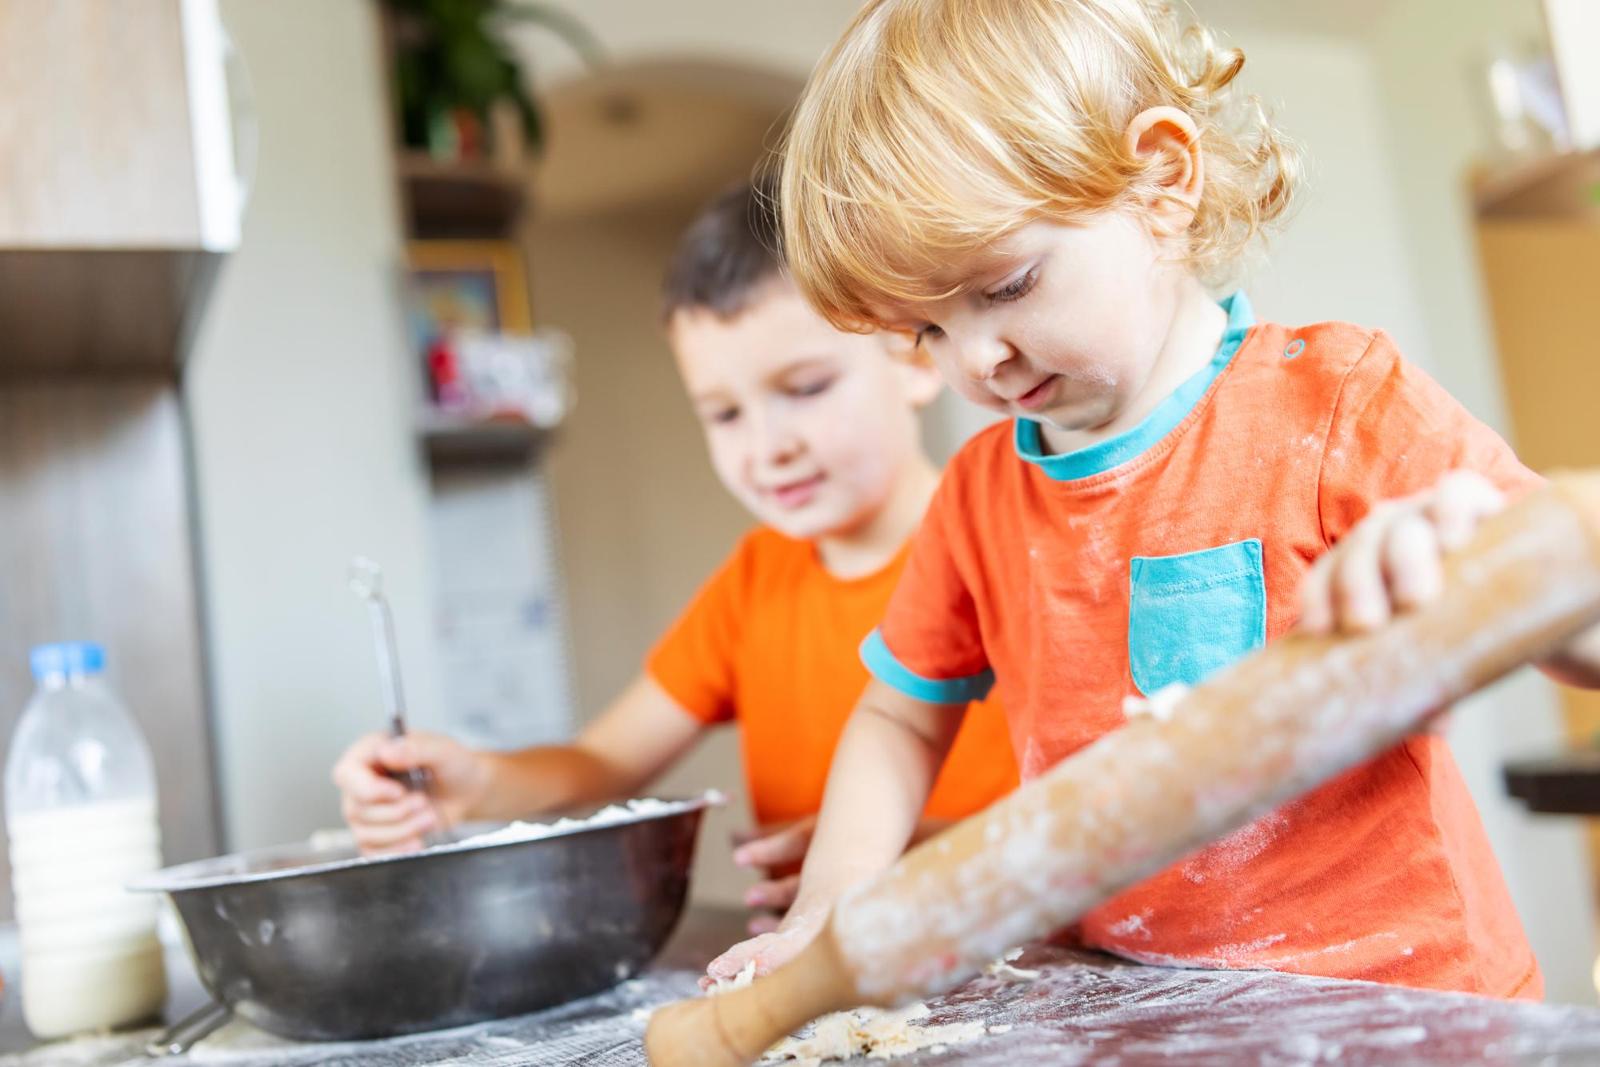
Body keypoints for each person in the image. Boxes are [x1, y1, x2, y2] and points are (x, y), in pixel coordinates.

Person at [706, 0, 1600, 996]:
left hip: (1411, 1006)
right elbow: (898, 717)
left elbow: (1586, 637)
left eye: (1004, 288)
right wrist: (830, 906)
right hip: (1147, 1010)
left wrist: (1496, 565)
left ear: (1162, 182)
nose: (975, 360)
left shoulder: (1340, 402)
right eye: (921, 331)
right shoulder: (978, 497)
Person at [332, 178, 1017, 934]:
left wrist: (919, 856)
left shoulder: (1011, 540)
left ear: (916, 359)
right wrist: (473, 783)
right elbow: (602, 764)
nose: (768, 447)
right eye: (724, 413)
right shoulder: (756, 582)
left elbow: (1116, 792)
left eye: (807, 387)